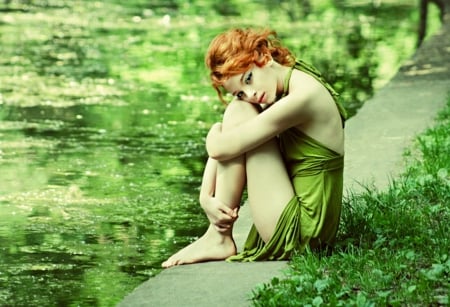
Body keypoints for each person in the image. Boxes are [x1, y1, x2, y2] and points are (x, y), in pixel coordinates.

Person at [162, 28, 346, 268]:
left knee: (238, 112)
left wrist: (213, 131)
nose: (251, 94)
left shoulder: (303, 97)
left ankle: (218, 237)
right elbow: (229, 143)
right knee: (239, 110)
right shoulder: (293, 75)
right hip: (309, 223)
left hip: (303, 234)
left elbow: (221, 148)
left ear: (264, 56)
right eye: (240, 91)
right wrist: (205, 196)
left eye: (248, 79)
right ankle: (216, 236)